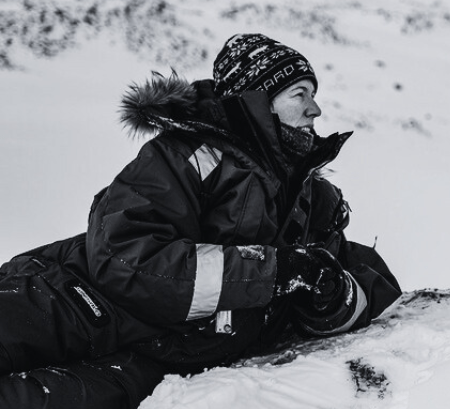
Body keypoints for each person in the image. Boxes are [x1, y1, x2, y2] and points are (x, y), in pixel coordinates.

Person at [0, 33, 402, 408]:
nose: (316, 109)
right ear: (259, 100)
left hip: (149, 361)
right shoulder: (185, 159)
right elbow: (123, 256)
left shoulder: (309, 199)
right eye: (300, 94)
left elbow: (362, 277)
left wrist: (332, 297)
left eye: (313, 94)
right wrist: (272, 272)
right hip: (65, 299)